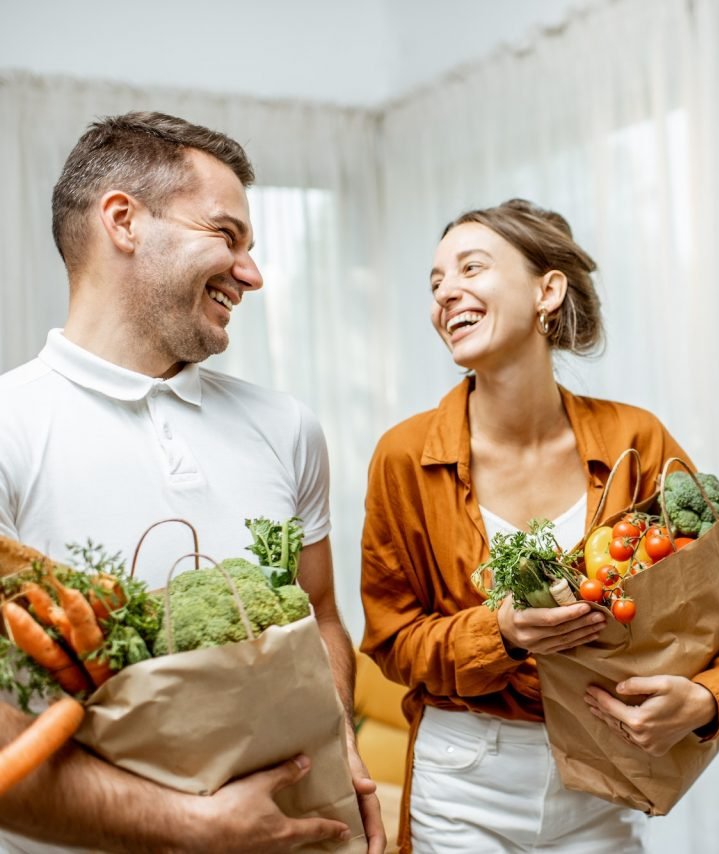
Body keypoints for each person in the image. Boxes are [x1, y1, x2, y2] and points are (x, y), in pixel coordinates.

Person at [0, 112, 385, 854]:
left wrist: (335, 740)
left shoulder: (288, 428)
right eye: (226, 235)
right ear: (123, 221)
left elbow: (322, 615)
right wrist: (194, 827)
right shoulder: (10, 424)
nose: (252, 273)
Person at [360, 199, 719, 852]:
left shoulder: (635, 439)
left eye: (471, 268)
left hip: (602, 775)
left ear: (548, 291)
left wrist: (708, 699)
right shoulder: (405, 458)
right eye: (436, 281)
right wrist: (500, 634)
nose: (445, 292)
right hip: (465, 782)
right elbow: (393, 641)